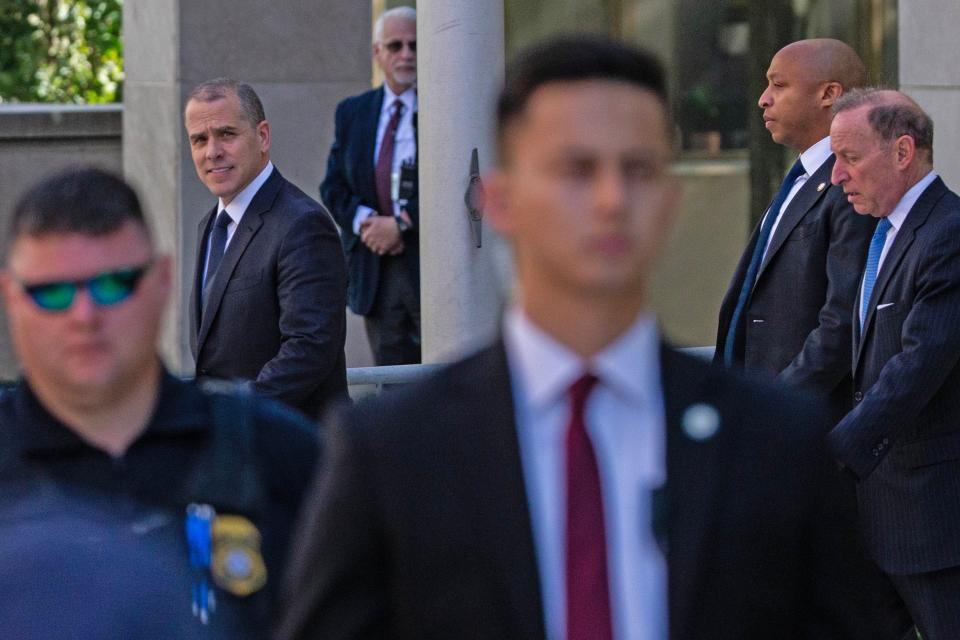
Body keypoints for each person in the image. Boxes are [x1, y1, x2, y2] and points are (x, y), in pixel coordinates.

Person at [276, 36, 897, 640]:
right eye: (575, 169)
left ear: (669, 200)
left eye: (637, 169)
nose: (609, 200)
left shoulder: (775, 444)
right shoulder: (393, 452)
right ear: (499, 201)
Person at [0, 167, 320, 638]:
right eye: (53, 293)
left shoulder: (279, 455)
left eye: (113, 285)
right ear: (10, 297)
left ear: (163, 280)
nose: (84, 317)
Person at [828, 88, 960, 638]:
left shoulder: (948, 233)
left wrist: (828, 456)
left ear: (903, 152)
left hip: (933, 521)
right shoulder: (883, 232)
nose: (837, 176)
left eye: (850, 158)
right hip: (878, 518)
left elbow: (916, 367)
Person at [715, 39, 875, 415]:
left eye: (779, 85)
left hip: (800, 423)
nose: (763, 99)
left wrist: (776, 404)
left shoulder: (850, 185)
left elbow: (841, 322)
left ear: (829, 94)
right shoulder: (802, 177)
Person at [185, 78, 348, 417]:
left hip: (292, 448)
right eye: (199, 139)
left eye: (227, 134)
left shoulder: (302, 224)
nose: (212, 151)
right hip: (239, 452)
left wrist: (234, 415)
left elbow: (310, 348)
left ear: (262, 136)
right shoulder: (210, 225)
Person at [320, 6, 421, 365]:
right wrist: (367, 224)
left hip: (430, 264)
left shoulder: (442, 110)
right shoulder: (353, 112)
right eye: (396, 46)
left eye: (414, 45)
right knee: (391, 384)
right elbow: (332, 187)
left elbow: (457, 183)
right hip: (376, 269)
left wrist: (403, 223)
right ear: (378, 53)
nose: (407, 54)